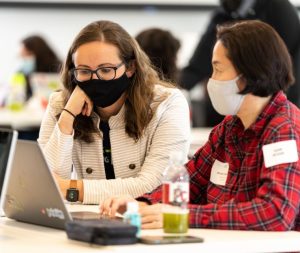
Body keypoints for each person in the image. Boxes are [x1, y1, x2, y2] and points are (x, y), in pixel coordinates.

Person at [100, 20, 300, 231]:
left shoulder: (284, 129)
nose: (211, 80)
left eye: (218, 69)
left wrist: (183, 216)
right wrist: (143, 203)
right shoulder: (230, 127)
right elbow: (191, 180)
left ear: (249, 73)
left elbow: (275, 213)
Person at [37, 20, 190, 204]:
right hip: (82, 219)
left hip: (139, 220)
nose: (95, 79)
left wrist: (71, 189)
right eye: (84, 71)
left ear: (131, 67)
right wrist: (67, 116)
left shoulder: (167, 103)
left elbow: (153, 185)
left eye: (106, 70)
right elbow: (46, 184)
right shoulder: (61, 103)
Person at [180, 0, 300, 127]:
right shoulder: (224, 13)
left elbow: (290, 67)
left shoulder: (277, 9)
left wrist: (284, 112)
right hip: (234, 113)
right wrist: (170, 90)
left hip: (269, 109)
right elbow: (197, 65)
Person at [18, 35, 61, 100]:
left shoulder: (58, 68)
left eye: (28, 54)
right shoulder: (23, 72)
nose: (25, 59)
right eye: (23, 56)